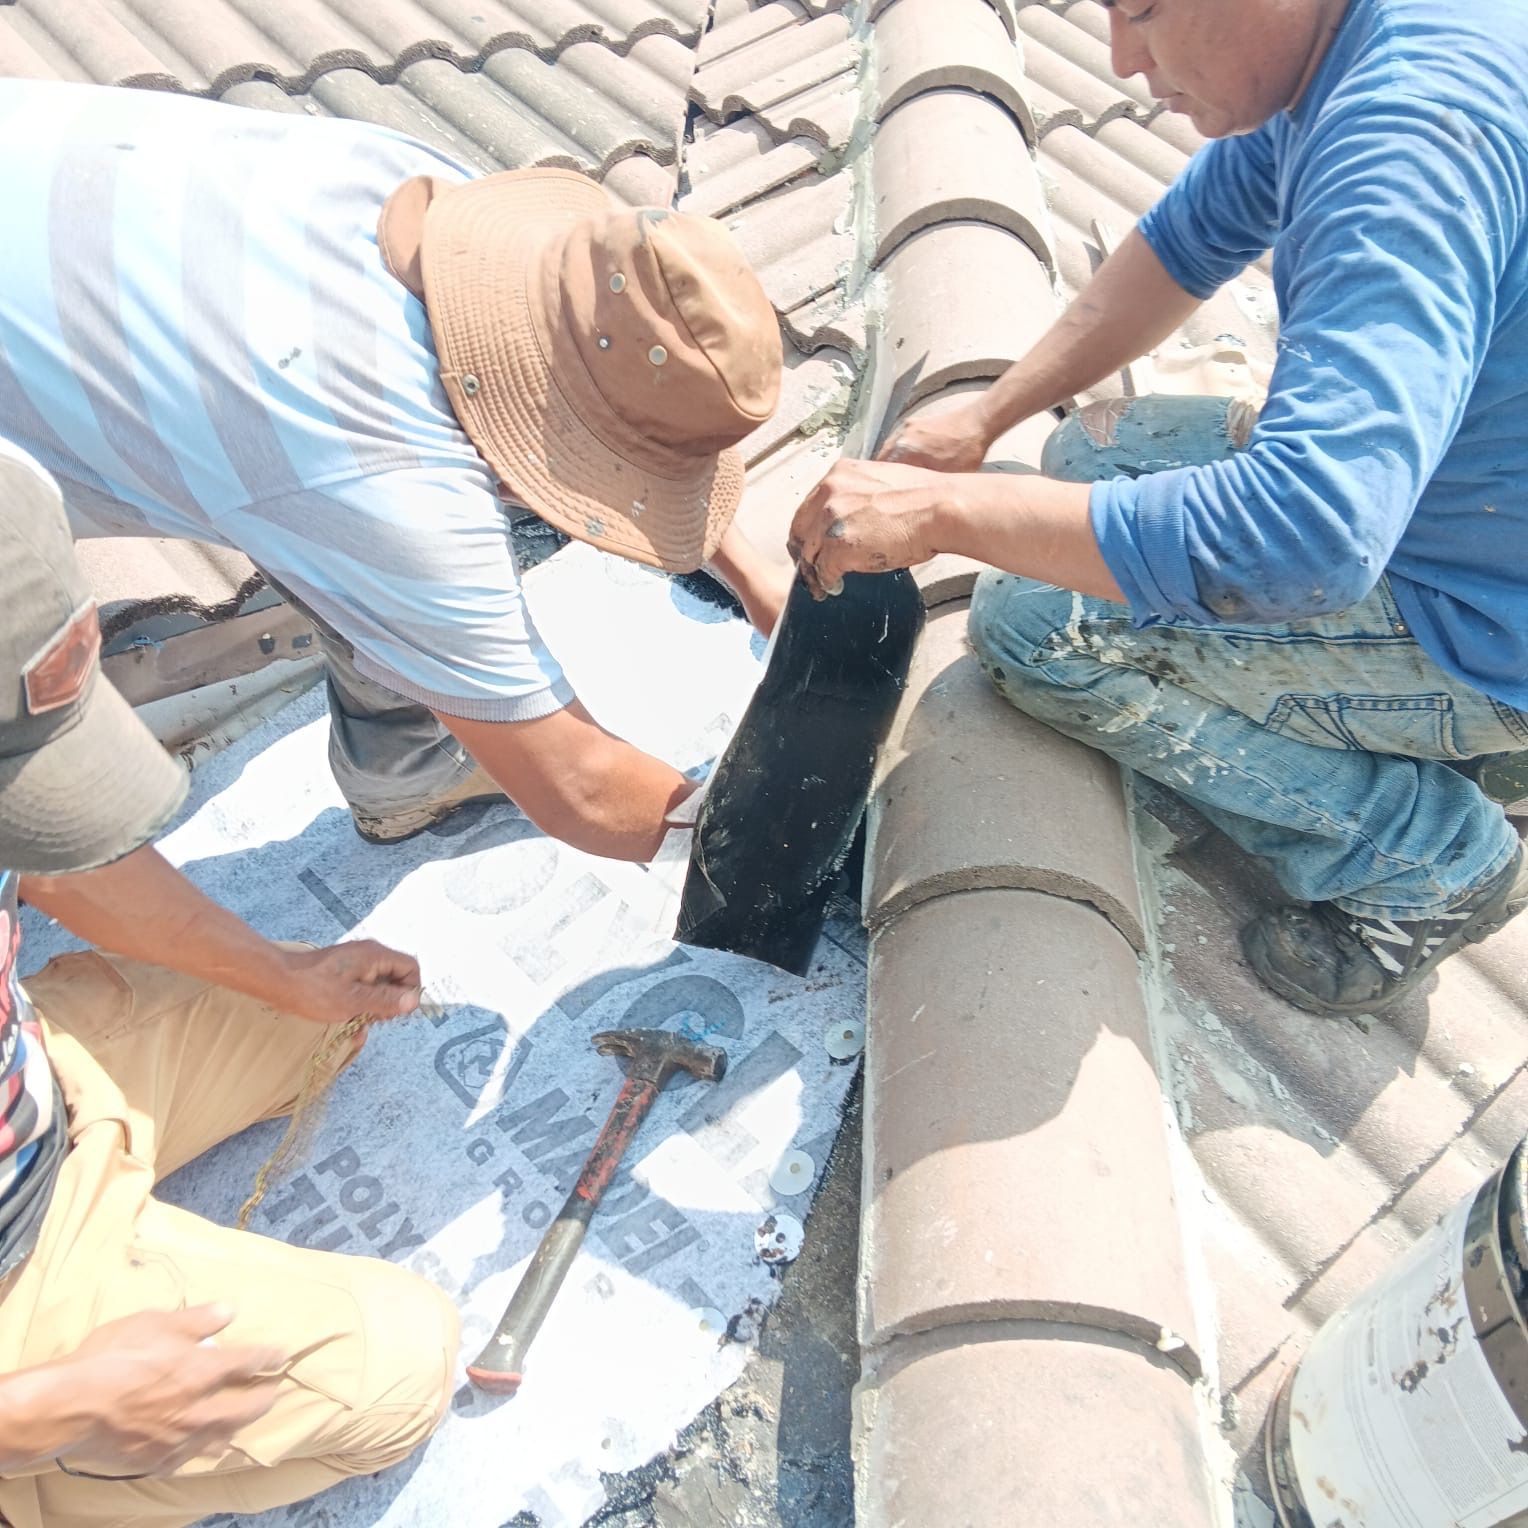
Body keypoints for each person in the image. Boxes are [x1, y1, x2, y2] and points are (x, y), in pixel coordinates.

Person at [788, 0, 1528, 1018]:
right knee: (1089, 449)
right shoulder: (1356, 39)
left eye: (1144, 10)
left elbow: (1303, 537)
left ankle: (1429, 855)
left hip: (1495, 620)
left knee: (1036, 627)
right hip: (1477, 510)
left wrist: (943, 517)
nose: (1121, 59)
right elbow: (1191, 237)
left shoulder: (1406, 145)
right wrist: (987, 414)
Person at [0, 77, 788, 854]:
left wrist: (756, 579)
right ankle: (407, 774)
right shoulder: (379, 475)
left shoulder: (448, 219)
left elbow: (622, 383)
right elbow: (579, 783)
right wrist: (760, 847)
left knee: (370, 556)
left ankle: (403, 769)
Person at [0, 443, 455, 1527]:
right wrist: (50, 1408)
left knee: (320, 1025)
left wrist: (280, 973)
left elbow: (58, 849)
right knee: (402, 1365)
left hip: (44, 1091)